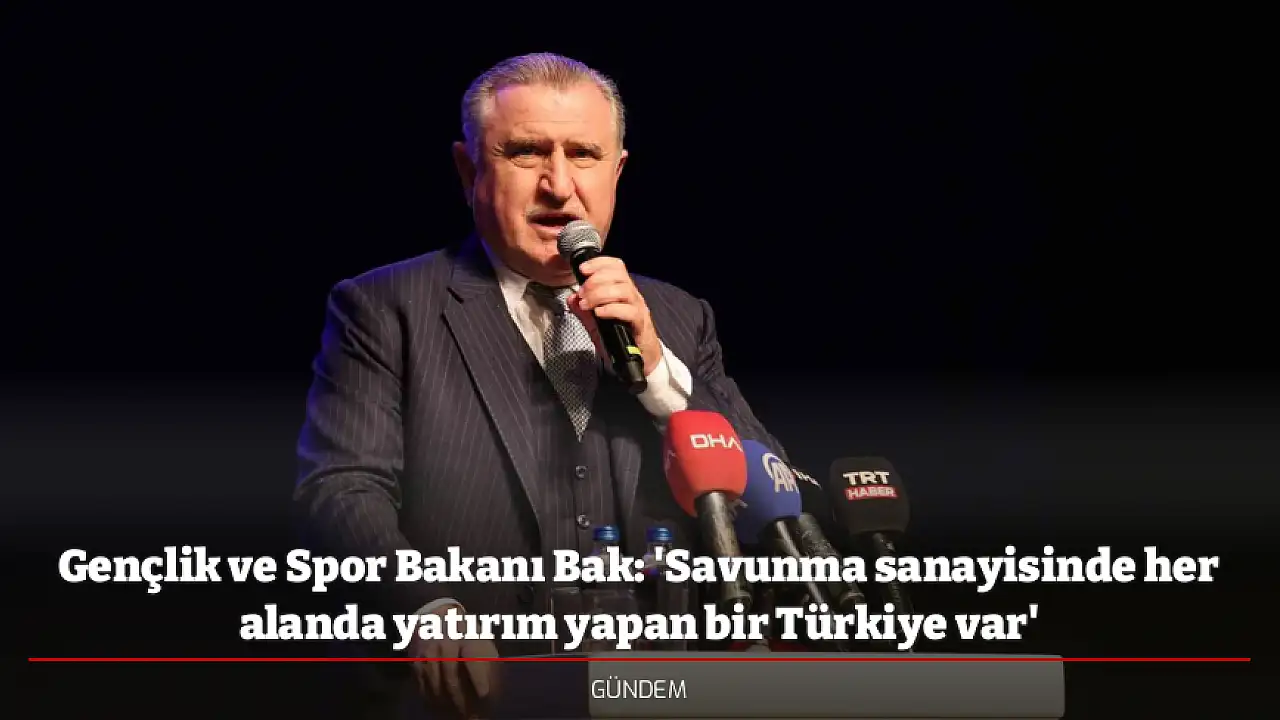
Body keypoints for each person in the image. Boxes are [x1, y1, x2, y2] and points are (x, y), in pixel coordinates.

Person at [294, 52, 786, 718]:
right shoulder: (384, 307)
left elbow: (774, 501)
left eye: (583, 155)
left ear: (617, 172)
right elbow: (341, 489)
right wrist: (427, 608)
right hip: (480, 700)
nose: (559, 185)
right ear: (469, 170)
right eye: (526, 153)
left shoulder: (678, 317)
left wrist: (658, 374)